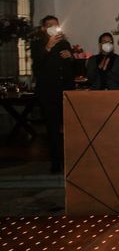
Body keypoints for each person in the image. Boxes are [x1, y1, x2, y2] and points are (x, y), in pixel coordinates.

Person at [31, 15, 75, 173]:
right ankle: (56, 162)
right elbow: (37, 66)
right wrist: (48, 47)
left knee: (69, 128)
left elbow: (71, 69)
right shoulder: (37, 44)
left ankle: (70, 160)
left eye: (56, 25)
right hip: (48, 93)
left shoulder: (65, 43)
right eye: (50, 25)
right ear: (44, 28)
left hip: (65, 92)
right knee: (52, 128)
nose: (53, 28)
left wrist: (71, 58)